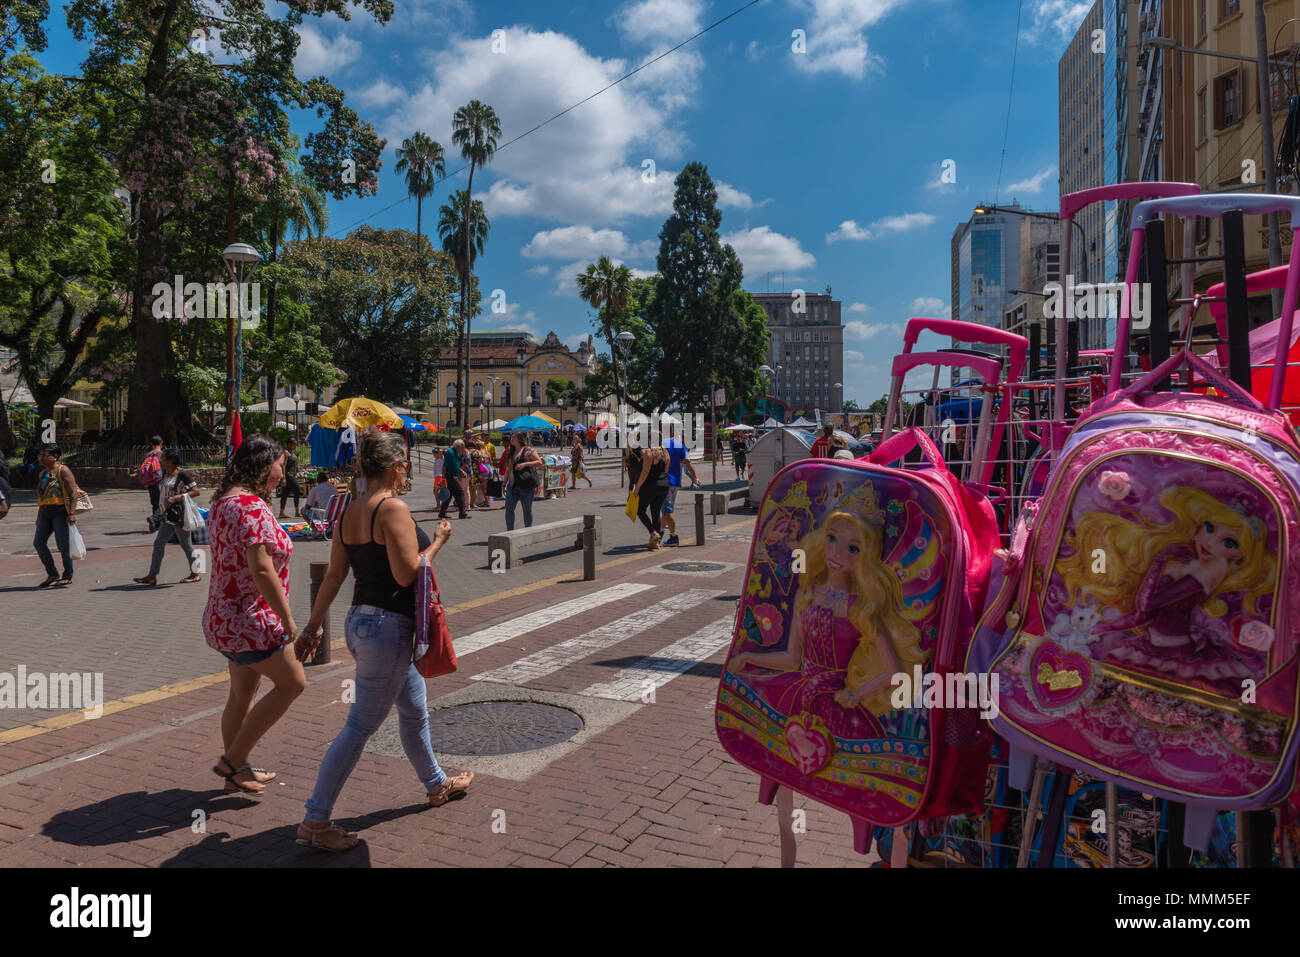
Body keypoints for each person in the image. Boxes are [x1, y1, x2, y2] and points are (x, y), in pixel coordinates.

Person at [294, 428, 472, 851]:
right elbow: (408, 573)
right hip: (388, 629)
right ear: (395, 467)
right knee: (359, 727)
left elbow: (335, 576)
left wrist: (313, 626)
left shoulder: (349, 511)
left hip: (360, 623)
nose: (407, 470)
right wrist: (440, 541)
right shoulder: (391, 508)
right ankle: (315, 821)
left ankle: (436, 784)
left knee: (413, 709)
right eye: (406, 464)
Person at [730, 488, 926, 738]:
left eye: (853, 549)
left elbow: (895, 674)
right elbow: (793, 659)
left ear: (864, 557)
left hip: (836, 702)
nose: (837, 553)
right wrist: (748, 657)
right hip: (801, 693)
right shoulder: (807, 595)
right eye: (832, 539)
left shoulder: (859, 608)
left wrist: (856, 695)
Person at [202, 434, 305, 795]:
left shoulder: (223, 502)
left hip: (222, 619)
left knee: (240, 696)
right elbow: (261, 569)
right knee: (293, 684)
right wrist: (288, 619)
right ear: (264, 464)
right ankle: (233, 762)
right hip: (252, 621)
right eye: (281, 466)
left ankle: (237, 772)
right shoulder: (252, 507)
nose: (282, 474)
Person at [133, 448, 202, 585]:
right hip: (168, 517)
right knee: (158, 543)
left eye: (163, 458)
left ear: (170, 461)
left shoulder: (182, 475)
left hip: (179, 516)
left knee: (186, 545)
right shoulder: (165, 474)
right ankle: (152, 575)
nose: (160, 460)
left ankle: (196, 573)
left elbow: (196, 491)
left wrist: (177, 497)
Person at [33, 444, 80, 587]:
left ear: (55, 456)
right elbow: (42, 496)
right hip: (45, 512)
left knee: (63, 545)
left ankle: (67, 575)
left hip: (60, 512)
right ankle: (52, 573)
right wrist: (39, 515)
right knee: (38, 543)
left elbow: (73, 492)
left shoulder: (63, 470)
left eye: (44, 455)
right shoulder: (43, 473)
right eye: (40, 455)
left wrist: (71, 513)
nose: (41, 458)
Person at [659, 426, 698, 546]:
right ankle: (659, 534)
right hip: (676, 482)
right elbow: (687, 462)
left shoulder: (660, 444)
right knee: (667, 510)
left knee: (667, 510)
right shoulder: (680, 445)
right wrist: (695, 478)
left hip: (664, 482)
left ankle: (673, 536)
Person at [502, 432, 544, 531]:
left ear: (519, 439)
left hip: (526, 485)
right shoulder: (510, 452)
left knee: (526, 510)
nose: (511, 439)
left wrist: (525, 464)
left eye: (513, 437)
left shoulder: (528, 451)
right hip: (512, 486)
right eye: (511, 437)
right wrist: (504, 484)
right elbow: (508, 469)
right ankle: (510, 532)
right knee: (509, 509)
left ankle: (527, 531)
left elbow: (539, 462)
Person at [633, 445, 671, 550]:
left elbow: (645, 472)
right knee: (656, 512)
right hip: (664, 485)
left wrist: (637, 488)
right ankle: (656, 543)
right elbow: (666, 471)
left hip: (649, 486)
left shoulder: (649, 453)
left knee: (640, 510)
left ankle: (653, 532)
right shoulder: (666, 453)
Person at [438, 438, 470, 520]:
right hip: (450, 476)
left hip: (454, 475)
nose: (463, 449)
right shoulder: (450, 452)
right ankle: (462, 513)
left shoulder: (457, 453)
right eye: (462, 447)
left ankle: (442, 513)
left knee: (449, 495)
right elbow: (444, 467)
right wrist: (443, 479)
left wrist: (461, 471)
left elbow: (456, 465)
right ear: (458, 446)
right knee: (461, 493)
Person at [139, 435, 164, 518]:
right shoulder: (162, 455)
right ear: (161, 443)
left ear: (151, 444)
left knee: (154, 503)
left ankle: (155, 522)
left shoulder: (147, 455)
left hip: (150, 481)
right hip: (160, 480)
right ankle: (154, 519)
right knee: (161, 502)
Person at [278, 438, 302, 519]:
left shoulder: (292, 453)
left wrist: (296, 472)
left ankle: (281, 513)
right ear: (289, 444)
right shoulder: (286, 452)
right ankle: (297, 512)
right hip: (288, 475)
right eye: (294, 444)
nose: (295, 446)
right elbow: (283, 465)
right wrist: (283, 478)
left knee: (285, 494)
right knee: (297, 490)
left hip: (292, 475)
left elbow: (294, 465)